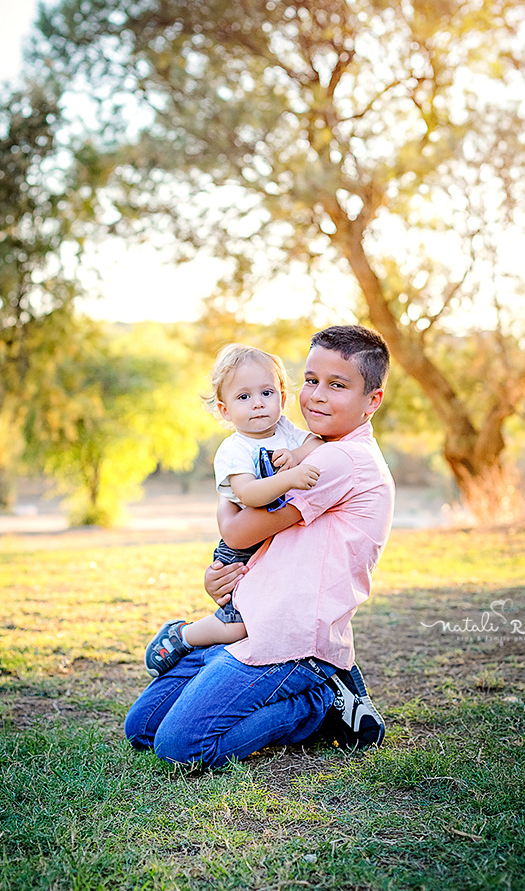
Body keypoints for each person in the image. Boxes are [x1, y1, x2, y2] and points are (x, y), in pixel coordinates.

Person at [124, 324, 395, 769]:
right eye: (311, 381)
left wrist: (226, 512)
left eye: (337, 385)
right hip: (253, 620)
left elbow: (237, 532)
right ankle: (285, 688)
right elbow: (263, 539)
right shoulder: (305, 448)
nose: (318, 396)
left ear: (372, 401)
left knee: (180, 748)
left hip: (290, 639)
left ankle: (319, 703)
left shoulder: (339, 459)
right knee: (143, 727)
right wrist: (223, 577)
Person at [144, 343, 322, 677]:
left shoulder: (285, 430)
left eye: (266, 392)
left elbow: (315, 443)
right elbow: (250, 494)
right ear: (225, 411)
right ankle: (181, 636)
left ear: (282, 399)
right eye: (244, 397)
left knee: (264, 615)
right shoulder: (234, 450)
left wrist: (296, 457)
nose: (257, 403)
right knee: (238, 624)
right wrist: (292, 477)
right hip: (241, 547)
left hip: (269, 538)